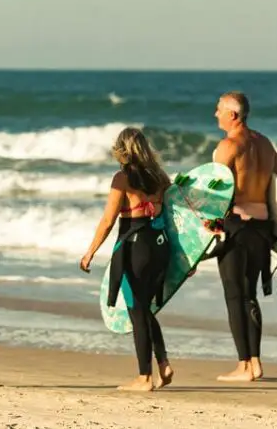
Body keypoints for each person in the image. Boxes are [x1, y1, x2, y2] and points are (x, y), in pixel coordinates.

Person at [79, 127, 174, 392]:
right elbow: (175, 218)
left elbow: (109, 220)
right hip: (159, 246)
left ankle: (144, 377)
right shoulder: (160, 177)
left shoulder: (122, 178)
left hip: (135, 248)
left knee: (136, 311)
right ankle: (163, 364)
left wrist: (90, 252)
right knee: (145, 308)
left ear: (121, 150)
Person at [206, 91, 277, 382]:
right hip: (262, 228)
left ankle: (243, 365)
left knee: (234, 295)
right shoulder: (265, 144)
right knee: (250, 295)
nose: (216, 114)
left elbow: (216, 191)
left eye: (219, 110)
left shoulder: (228, 146)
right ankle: (256, 361)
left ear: (233, 115)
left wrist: (210, 224)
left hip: (236, 227)